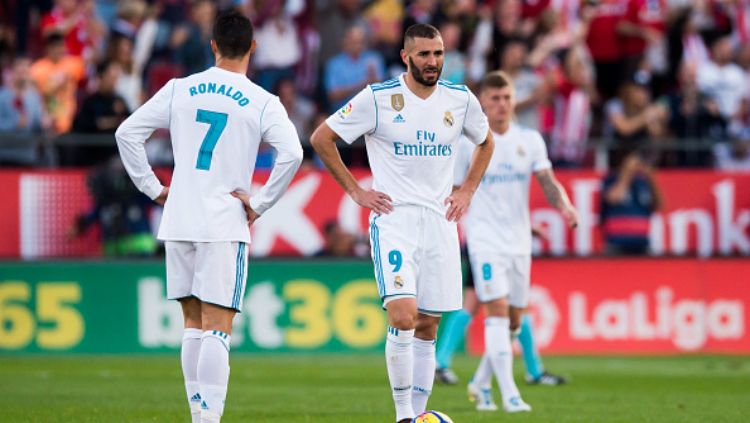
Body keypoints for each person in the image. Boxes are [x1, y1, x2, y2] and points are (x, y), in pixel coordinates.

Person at [115, 11, 303, 423]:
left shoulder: (180, 88)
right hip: (223, 220)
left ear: (213, 45)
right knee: (218, 326)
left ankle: (198, 417)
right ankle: (209, 420)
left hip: (180, 216)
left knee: (193, 323)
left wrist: (154, 188)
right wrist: (260, 201)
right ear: (253, 47)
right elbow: (294, 153)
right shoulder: (262, 100)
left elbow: (126, 133)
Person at [310, 23, 494, 423]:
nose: (433, 62)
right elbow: (322, 137)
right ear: (406, 56)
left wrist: (467, 191)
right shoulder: (379, 98)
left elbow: (486, 141)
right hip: (395, 220)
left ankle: (418, 415)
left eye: (439, 53)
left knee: (428, 325)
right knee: (404, 316)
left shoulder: (459, 99)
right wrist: (357, 192)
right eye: (425, 54)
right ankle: (401, 417)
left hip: (441, 221)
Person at [452, 71, 578, 412]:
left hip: (519, 241)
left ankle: (479, 383)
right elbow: (453, 189)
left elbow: (547, 181)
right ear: (483, 103)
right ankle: (509, 394)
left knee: (513, 320)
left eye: (507, 97)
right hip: (484, 239)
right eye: (494, 98)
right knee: (495, 312)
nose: (502, 104)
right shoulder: (468, 144)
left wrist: (564, 206)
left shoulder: (530, 139)